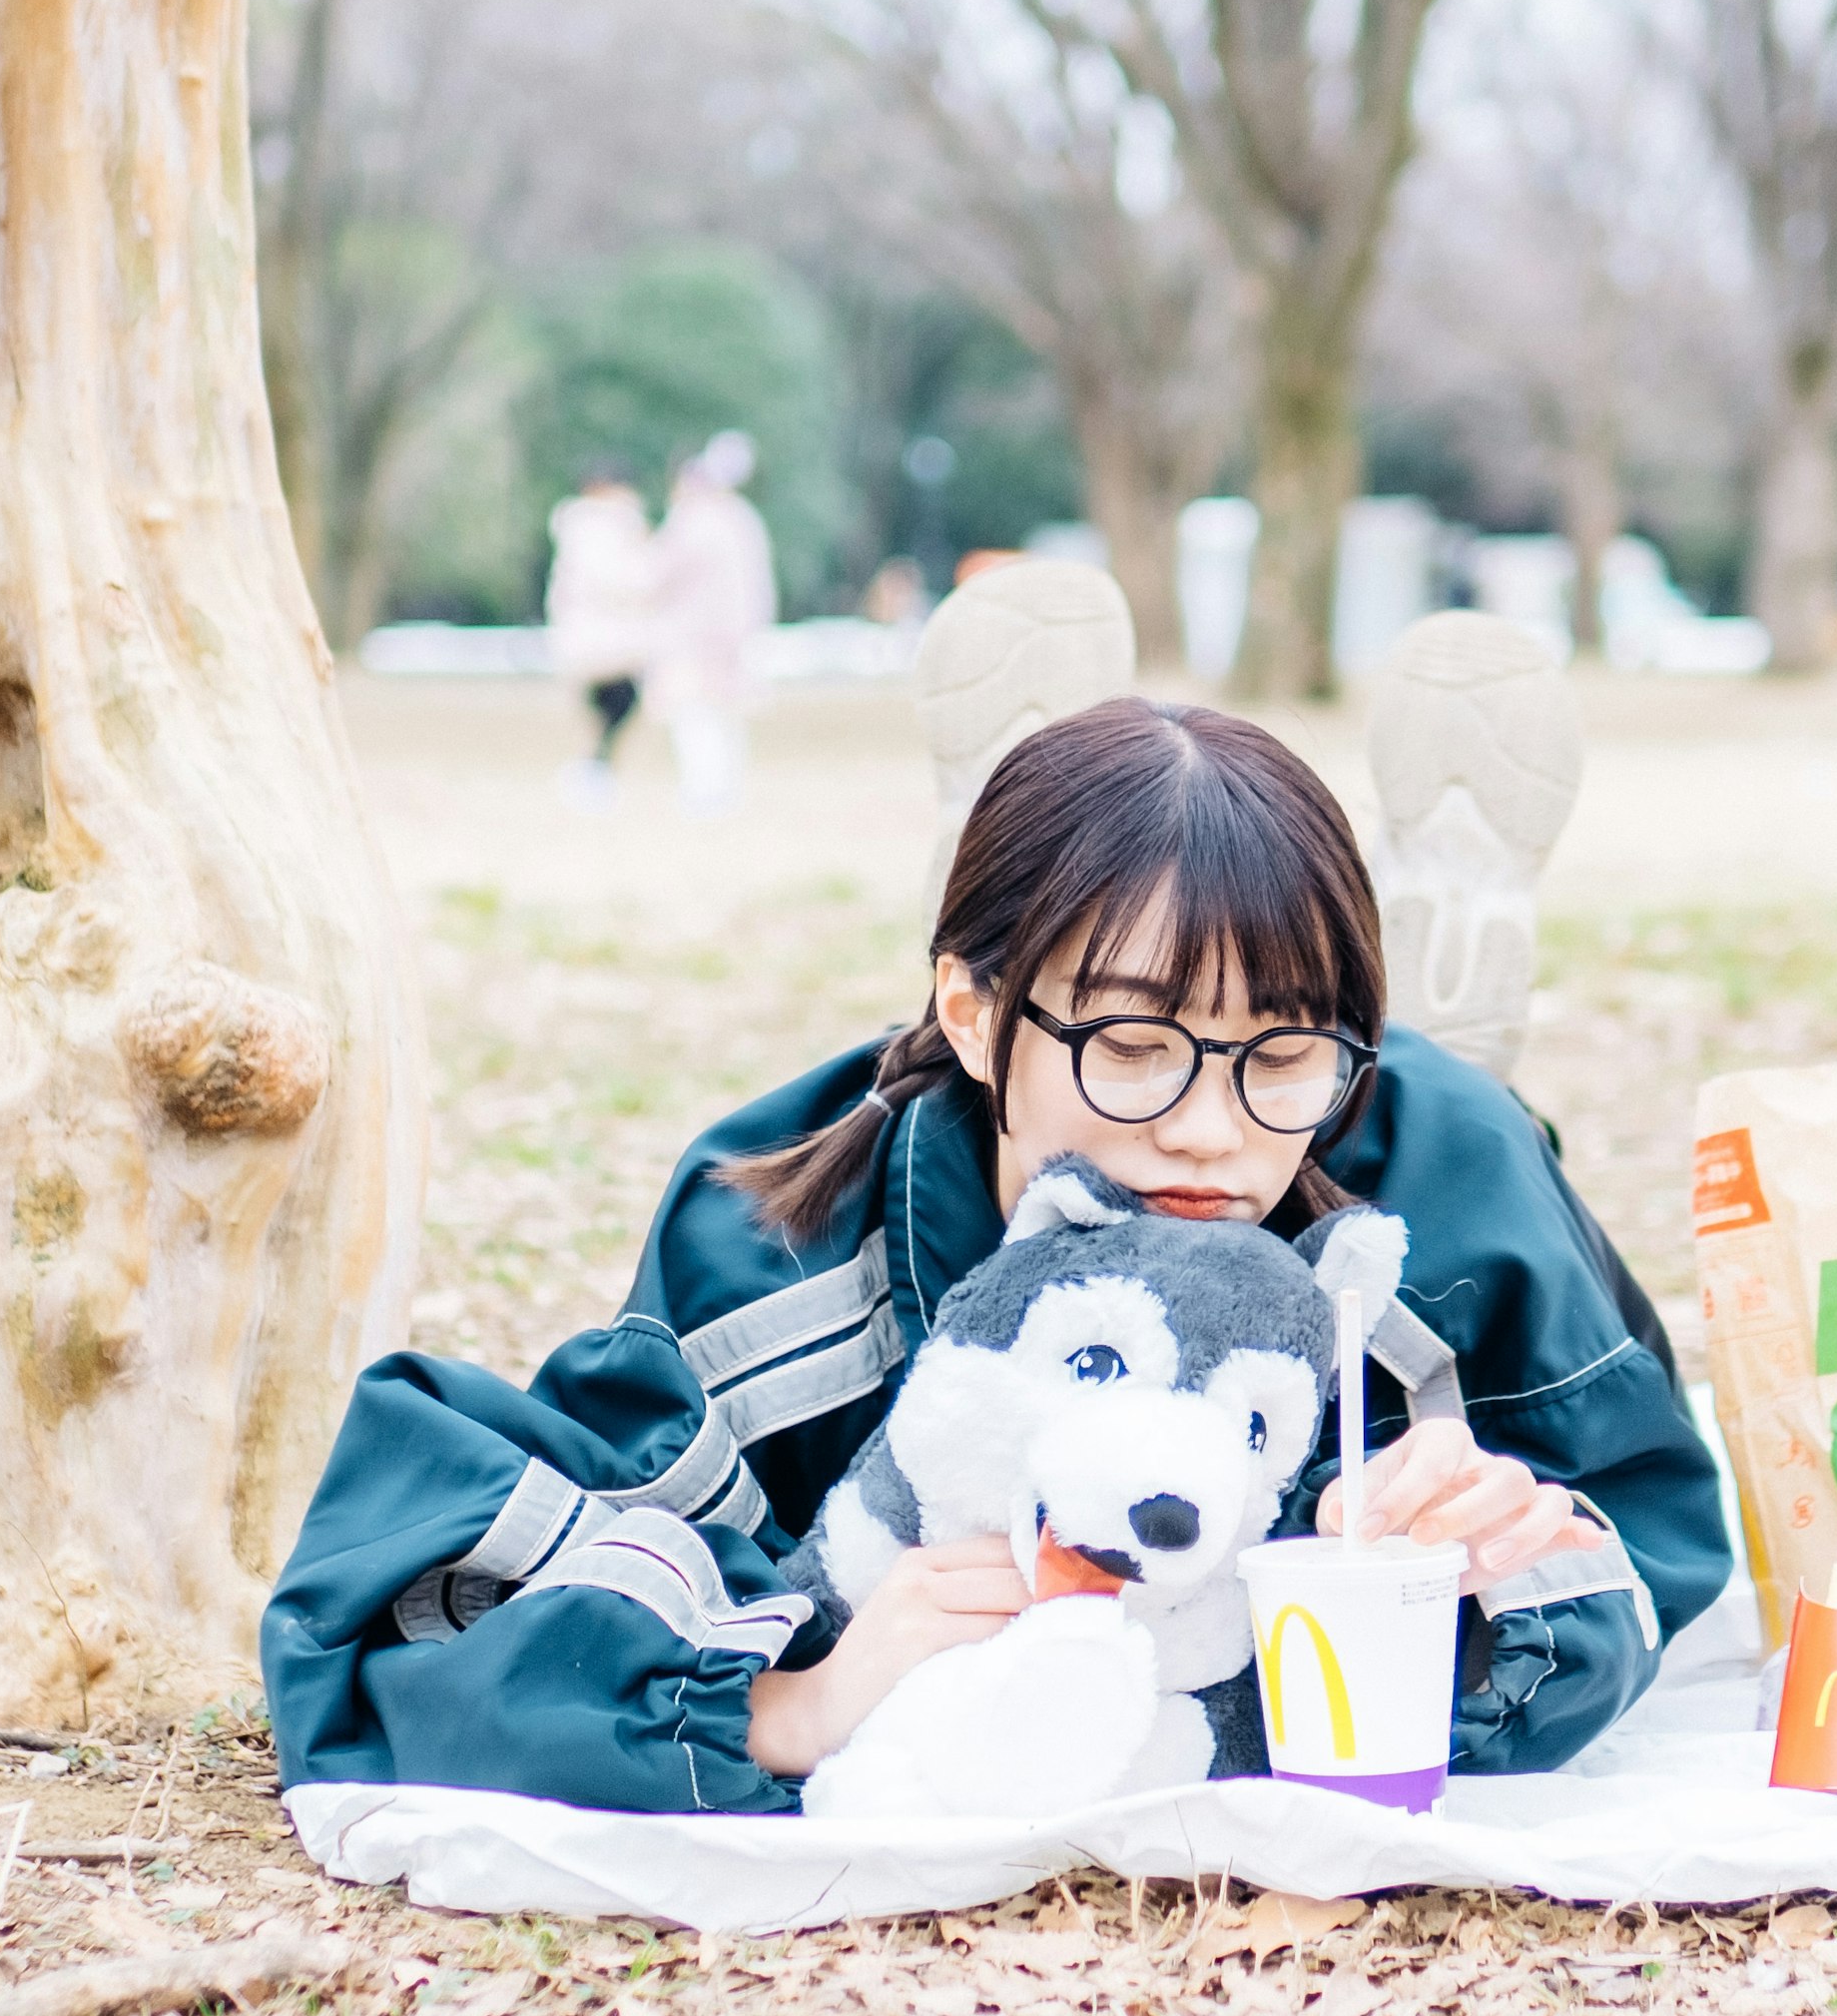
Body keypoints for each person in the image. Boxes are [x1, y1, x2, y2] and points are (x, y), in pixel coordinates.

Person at [263, 697, 1733, 1812]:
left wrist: (1500, 1563)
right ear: (973, 1015)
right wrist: (793, 1703)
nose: (1214, 1135)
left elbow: (1656, 1538)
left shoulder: (1441, 1186)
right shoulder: (773, 1254)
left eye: (1281, 1051)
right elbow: (418, 1613)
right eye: (1134, 1043)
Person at [648, 431, 778, 817]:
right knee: (725, 712)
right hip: (735, 633)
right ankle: (724, 789)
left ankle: (704, 790)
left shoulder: (691, 519)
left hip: (692, 634)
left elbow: (659, 573)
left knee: (694, 713)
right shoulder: (742, 518)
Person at [545, 459, 655, 812]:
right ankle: (593, 769)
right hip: (604, 635)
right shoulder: (597, 527)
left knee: (612, 705)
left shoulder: (598, 525)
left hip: (607, 634)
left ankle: (596, 768)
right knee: (616, 701)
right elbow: (620, 579)